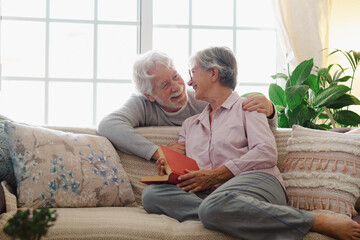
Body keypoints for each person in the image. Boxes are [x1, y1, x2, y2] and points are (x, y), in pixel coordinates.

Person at [142, 46, 360, 240]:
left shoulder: (249, 106)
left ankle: (312, 220)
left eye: (192, 73)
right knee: (151, 196)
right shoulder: (191, 124)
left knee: (213, 206)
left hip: (258, 181)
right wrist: (169, 167)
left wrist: (219, 174)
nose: (189, 81)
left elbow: (265, 153)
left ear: (213, 73)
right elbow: (188, 166)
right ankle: (231, 213)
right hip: (212, 193)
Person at [97, 50, 276, 161]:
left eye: (175, 76)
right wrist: (158, 152)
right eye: (165, 85)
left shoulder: (202, 98)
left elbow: (242, 111)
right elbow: (108, 125)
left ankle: (213, 209)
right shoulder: (141, 104)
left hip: (223, 177)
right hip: (197, 179)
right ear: (149, 95)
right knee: (152, 196)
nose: (177, 86)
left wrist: (270, 111)